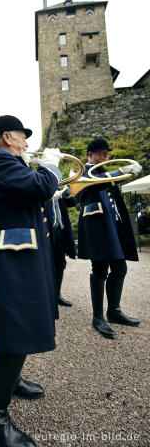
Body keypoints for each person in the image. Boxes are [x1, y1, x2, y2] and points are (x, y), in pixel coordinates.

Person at [0, 115, 63, 447]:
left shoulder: (6, 163)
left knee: (17, 326)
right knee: (17, 327)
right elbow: (39, 186)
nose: (27, 143)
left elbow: (31, 197)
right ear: (7, 136)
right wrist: (50, 167)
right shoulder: (1, 159)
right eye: (23, 136)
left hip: (17, 253)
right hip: (11, 257)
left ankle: (12, 380)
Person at [77, 138, 142, 339]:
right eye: (101, 153)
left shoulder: (104, 174)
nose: (105, 157)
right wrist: (124, 171)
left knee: (120, 268)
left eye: (106, 154)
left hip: (113, 228)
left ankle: (113, 311)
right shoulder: (83, 172)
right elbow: (95, 183)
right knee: (99, 270)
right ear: (90, 155)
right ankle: (98, 318)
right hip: (97, 228)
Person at [45, 187, 77, 307]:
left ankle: (57, 295)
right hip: (46, 230)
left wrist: (67, 192)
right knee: (46, 263)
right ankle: (46, 295)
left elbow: (72, 203)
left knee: (60, 263)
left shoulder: (61, 187)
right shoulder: (41, 183)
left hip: (60, 230)